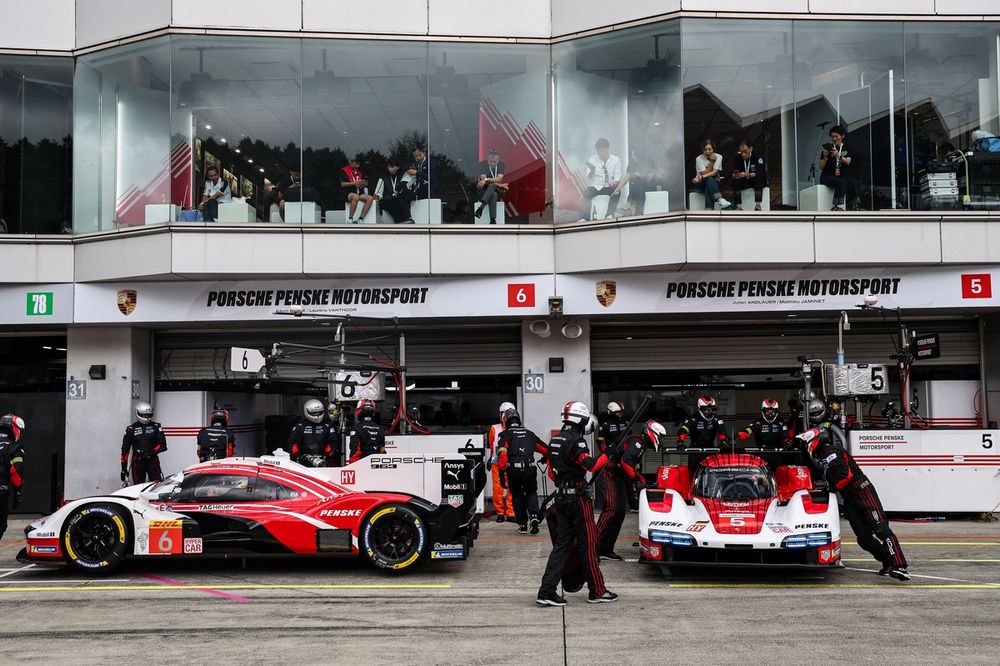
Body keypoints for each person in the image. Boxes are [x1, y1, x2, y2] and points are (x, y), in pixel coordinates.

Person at [796, 399, 909, 581]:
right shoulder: (822, 458)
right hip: (850, 498)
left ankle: (900, 566)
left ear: (813, 441)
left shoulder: (829, 451)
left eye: (805, 443)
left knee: (881, 530)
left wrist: (831, 488)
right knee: (863, 538)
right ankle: (888, 561)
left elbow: (845, 476)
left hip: (862, 492)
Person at [537, 401, 617, 606]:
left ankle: (546, 591)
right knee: (588, 545)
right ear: (580, 420)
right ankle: (597, 591)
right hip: (578, 500)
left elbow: (553, 474)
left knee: (561, 546)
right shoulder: (577, 441)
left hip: (562, 498)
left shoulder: (555, 441)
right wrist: (608, 455)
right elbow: (590, 466)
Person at [595, 418, 664, 561]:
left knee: (619, 512)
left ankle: (605, 549)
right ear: (653, 433)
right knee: (611, 509)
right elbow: (626, 461)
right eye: (660, 437)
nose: (661, 440)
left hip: (617, 476)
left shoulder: (640, 445)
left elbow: (633, 466)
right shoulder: (638, 442)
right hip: (608, 472)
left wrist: (642, 481)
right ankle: (592, 548)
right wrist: (635, 480)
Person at [496, 407, 547, 534]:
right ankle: (534, 517)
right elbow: (545, 449)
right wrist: (545, 459)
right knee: (531, 492)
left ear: (506, 421)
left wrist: (502, 475)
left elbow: (502, 456)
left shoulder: (505, 435)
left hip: (514, 470)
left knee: (517, 495)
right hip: (529, 468)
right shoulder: (530, 433)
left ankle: (523, 524)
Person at [121, 401, 167, 485]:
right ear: (138, 413)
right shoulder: (131, 429)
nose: (146, 417)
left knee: (157, 484)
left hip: (152, 460)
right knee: (138, 486)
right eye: (144, 415)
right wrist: (124, 469)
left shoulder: (156, 427)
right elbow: (125, 450)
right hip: (137, 461)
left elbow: (162, 445)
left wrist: (150, 452)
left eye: (148, 415)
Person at [580, 138, 624, 221]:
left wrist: (614, 182)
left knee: (617, 192)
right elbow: (589, 176)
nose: (600, 154)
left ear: (608, 149)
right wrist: (592, 171)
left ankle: (609, 214)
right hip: (596, 186)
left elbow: (618, 175)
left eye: (602, 151)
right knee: (586, 193)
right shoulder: (592, 159)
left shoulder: (615, 160)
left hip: (609, 186)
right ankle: (584, 217)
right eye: (598, 152)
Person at [486, 401, 516, 523]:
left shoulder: (516, 428)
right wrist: (490, 458)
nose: (505, 416)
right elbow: (491, 445)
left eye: (508, 413)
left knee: (511, 488)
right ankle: (500, 512)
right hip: (497, 462)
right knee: (497, 488)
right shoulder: (494, 428)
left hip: (512, 462)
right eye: (503, 413)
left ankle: (510, 512)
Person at [288, 399, 337, 467]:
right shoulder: (300, 426)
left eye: (319, 412)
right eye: (314, 413)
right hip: (303, 461)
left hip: (323, 461)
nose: (317, 415)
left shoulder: (327, 425)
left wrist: (326, 455)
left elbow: (332, 442)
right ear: (307, 411)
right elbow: (292, 443)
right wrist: (298, 456)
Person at [0, 414, 26, 542]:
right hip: (1, 491)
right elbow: (17, 473)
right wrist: (17, 494)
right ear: (14, 428)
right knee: (1, 525)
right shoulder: (14, 448)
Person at [819, 125, 854, 211]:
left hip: (840, 176)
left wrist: (838, 156)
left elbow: (848, 162)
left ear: (842, 136)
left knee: (853, 182)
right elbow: (821, 166)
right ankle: (835, 206)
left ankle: (855, 205)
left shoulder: (846, 148)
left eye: (836, 136)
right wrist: (825, 157)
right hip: (827, 176)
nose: (834, 138)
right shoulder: (828, 148)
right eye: (832, 137)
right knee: (842, 182)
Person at [692, 138, 733, 210]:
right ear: (702, 150)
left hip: (714, 182)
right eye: (705, 150)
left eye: (709, 149)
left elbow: (715, 172)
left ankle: (708, 209)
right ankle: (720, 199)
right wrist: (712, 162)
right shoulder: (699, 159)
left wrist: (702, 176)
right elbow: (704, 173)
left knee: (709, 182)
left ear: (713, 149)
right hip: (700, 183)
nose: (707, 152)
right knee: (709, 178)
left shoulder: (719, 157)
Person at [730, 141, 767, 210]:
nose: (743, 154)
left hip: (754, 180)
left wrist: (749, 174)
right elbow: (734, 171)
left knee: (758, 180)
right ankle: (738, 206)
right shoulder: (737, 158)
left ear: (751, 149)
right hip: (743, 180)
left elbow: (760, 171)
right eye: (741, 152)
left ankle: (758, 205)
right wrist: (736, 175)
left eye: (745, 151)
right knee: (735, 183)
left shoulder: (757, 156)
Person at [474, 148, 508, 224]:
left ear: (498, 160)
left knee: (493, 187)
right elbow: (483, 180)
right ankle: (493, 220)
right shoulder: (482, 164)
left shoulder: (501, 164)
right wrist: (501, 185)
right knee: (493, 193)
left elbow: (499, 179)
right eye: (490, 161)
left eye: (494, 162)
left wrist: (486, 180)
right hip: (484, 192)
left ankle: (481, 208)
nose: (492, 163)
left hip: (498, 191)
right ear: (487, 158)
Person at [376, 159, 416, 223]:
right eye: (389, 167)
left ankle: (405, 219)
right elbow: (377, 194)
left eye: (392, 167)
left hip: (396, 201)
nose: (390, 169)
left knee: (398, 200)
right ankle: (404, 219)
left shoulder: (402, 177)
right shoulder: (383, 178)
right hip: (385, 201)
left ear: (397, 167)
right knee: (390, 200)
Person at [349, 399, 386, 463]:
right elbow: (382, 450)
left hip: (361, 464)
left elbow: (355, 450)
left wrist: (352, 466)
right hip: (376, 464)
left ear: (359, 411)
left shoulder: (356, 428)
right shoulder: (380, 428)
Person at [339, 156, 374, 223]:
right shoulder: (344, 170)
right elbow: (342, 184)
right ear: (350, 162)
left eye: (359, 164)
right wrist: (355, 183)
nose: (357, 166)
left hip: (358, 192)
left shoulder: (360, 172)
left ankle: (360, 219)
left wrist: (363, 184)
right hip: (347, 193)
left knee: (370, 198)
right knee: (356, 196)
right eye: (356, 164)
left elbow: (360, 183)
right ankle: (350, 219)